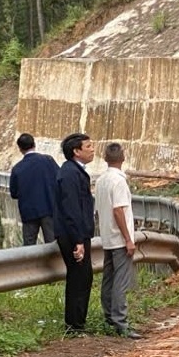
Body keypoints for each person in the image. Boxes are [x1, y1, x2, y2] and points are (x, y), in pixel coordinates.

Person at [95, 142, 141, 339]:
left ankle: (109, 317)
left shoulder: (101, 180)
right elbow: (119, 210)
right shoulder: (119, 181)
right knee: (120, 281)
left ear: (106, 158)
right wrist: (128, 239)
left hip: (107, 236)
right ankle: (120, 321)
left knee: (109, 279)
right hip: (119, 238)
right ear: (122, 158)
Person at [53, 132, 95, 336]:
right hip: (72, 235)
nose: (92, 149)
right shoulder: (69, 173)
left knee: (83, 277)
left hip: (77, 233)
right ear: (76, 151)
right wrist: (78, 240)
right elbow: (72, 209)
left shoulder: (74, 171)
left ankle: (78, 323)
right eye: (88, 146)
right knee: (79, 278)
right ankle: (74, 326)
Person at [8, 133, 58, 245]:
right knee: (52, 244)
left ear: (20, 149)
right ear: (34, 144)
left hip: (28, 212)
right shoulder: (48, 161)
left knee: (29, 247)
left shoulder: (17, 169)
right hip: (49, 209)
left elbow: (14, 193)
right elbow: (59, 180)